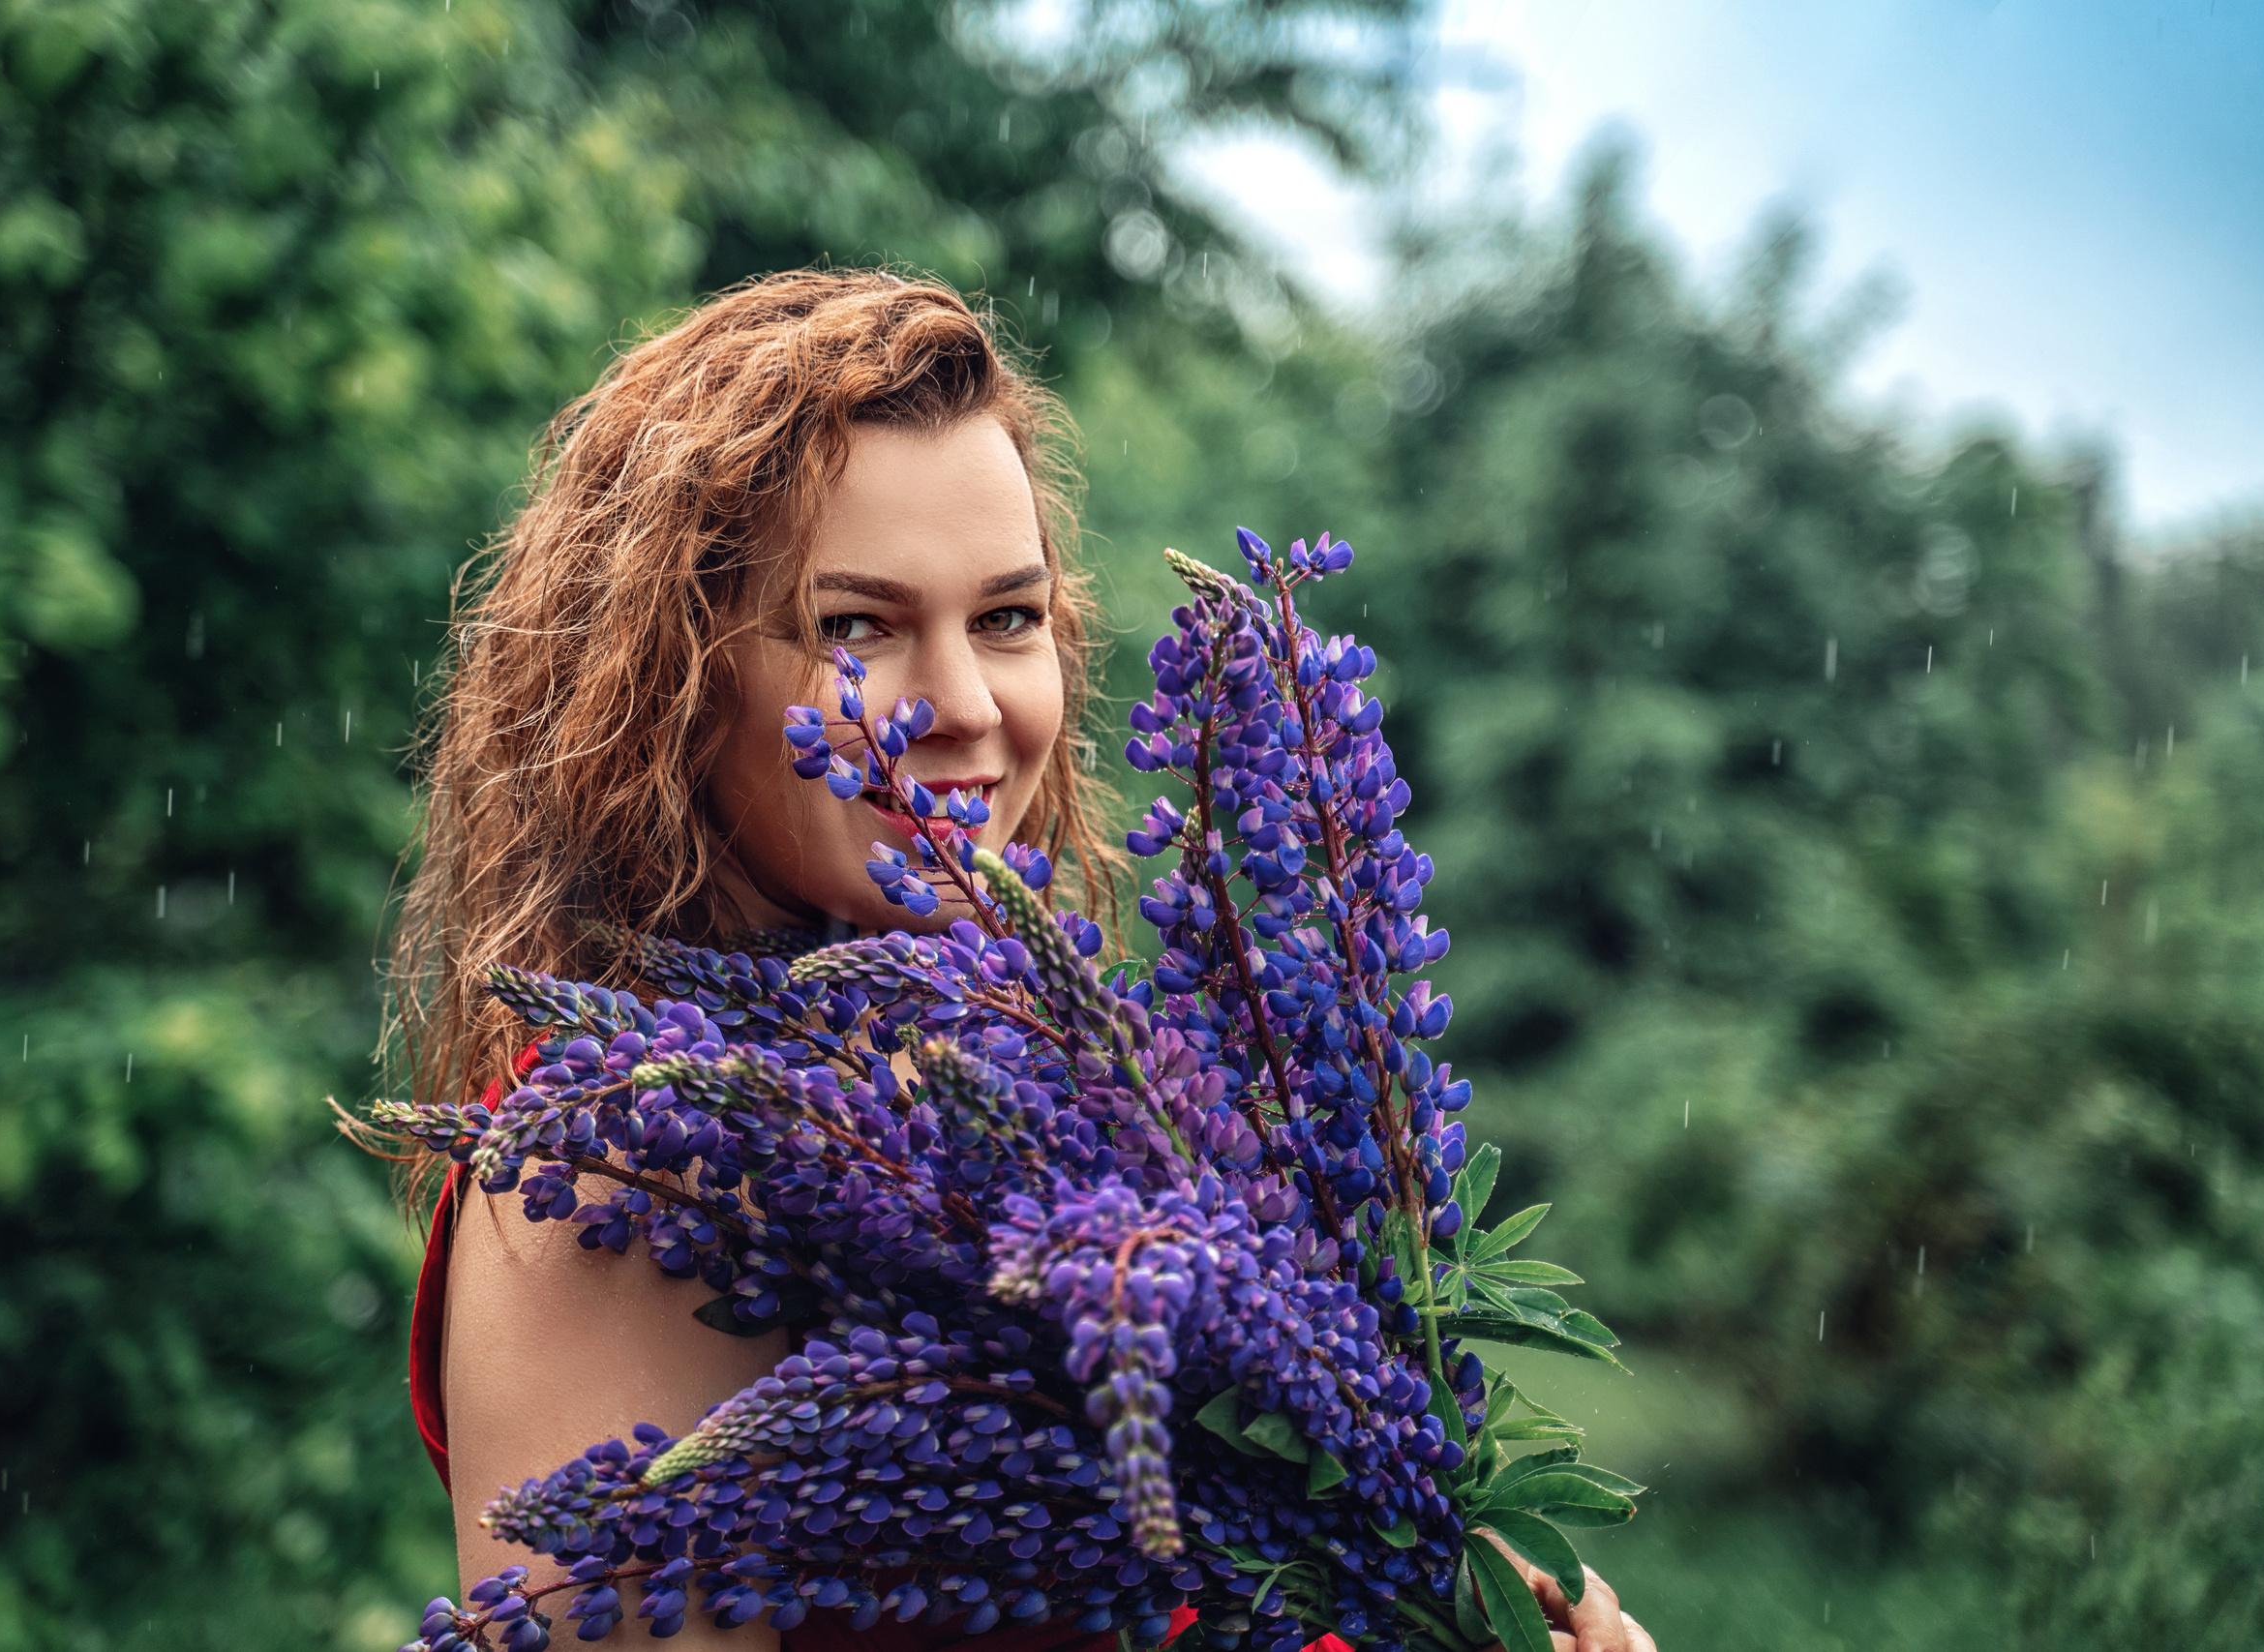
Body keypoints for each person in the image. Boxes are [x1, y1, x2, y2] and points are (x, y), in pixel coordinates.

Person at [386, 270, 1656, 1652]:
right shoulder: (627, 1152)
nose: (967, 705)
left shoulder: (1030, 1081)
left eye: (1006, 618)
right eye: (855, 626)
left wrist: (1441, 1602)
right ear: (672, 683)